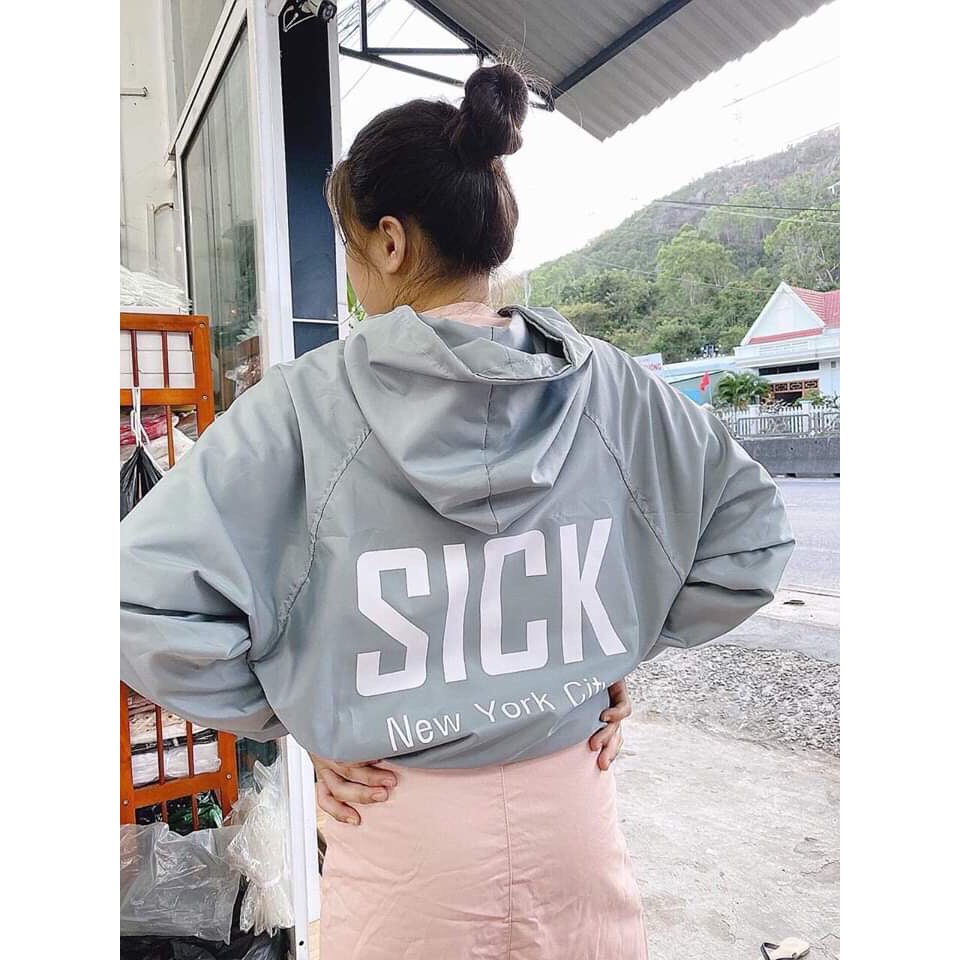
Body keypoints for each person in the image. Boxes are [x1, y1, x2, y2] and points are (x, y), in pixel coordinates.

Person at [120, 62, 794, 959]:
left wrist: (299, 711)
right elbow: (753, 539)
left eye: (349, 245)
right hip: (575, 817)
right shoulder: (616, 388)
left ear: (390, 243)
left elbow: (137, 603)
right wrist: (601, 650)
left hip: (399, 830)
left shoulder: (302, 407)